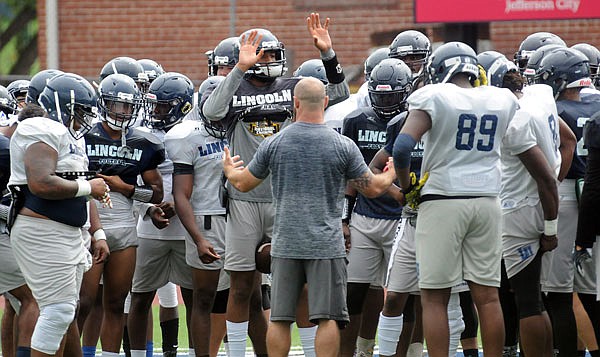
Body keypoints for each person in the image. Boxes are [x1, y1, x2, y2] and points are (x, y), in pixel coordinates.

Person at [201, 13, 349, 356]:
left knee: (300, 287)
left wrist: (327, 52)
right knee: (240, 284)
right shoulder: (234, 86)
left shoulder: (292, 87)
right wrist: (239, 67)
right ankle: (237, 352)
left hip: (286, 199)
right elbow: (210, 111)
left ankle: (311, 351)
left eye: (270, 54)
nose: (269, 60)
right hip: (244, 197)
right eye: (263, 54)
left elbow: (338, 94)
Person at [222, 76, 397, 357]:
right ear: (325, 102)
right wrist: (391, 172)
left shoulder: (275, 143)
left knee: (280, 319)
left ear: (295, 103)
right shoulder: (342, 145)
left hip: (285, 243)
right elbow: (373, 188)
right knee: (326, 318)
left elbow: (242, 183)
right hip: (326, 245)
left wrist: (230, 170)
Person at [392, 41, 519, 357]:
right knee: (488, 297)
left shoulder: (434, 96)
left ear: (438, 70)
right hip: (488, 199)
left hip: (444, 199)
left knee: (434, 297)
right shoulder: (500, 98)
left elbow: (402, 148)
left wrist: (408, 187)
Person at [9, 72, 110, 356]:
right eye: (80, 111)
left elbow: (77, 188)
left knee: (67, 311)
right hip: (43, 229)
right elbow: (41, 182)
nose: (85, 118)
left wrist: (95, 230)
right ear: (61, 105)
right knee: (58, 312)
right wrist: (88, 186)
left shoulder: (67, 136)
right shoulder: (41, 128)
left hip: (65, 230)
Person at [84, 73, 165, 357]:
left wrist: (126, 188)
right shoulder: (84, 137)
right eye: (116, 105)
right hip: (90, 225)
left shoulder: (143, 143)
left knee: (117, 303)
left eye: (127, 106)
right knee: (83, 303)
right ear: (103, 103)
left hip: (124, 227)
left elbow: (156, 193)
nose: (121, 112)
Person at [339, 58, 412, 357]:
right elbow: (349, 173)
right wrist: (344, 217)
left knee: (404, 296)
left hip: (403, 219)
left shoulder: (417, 119)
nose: (386, 102)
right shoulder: (356, 120)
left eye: (393, 95)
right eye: (381, 96)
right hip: (364, 217)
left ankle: (410, 351)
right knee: (353, 292)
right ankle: (358, 351)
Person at [536, 47, 600, 356]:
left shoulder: (556, 111)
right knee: (591, 290)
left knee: (557, 291)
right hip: (594, 198)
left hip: (567, 195)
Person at [127, 72, 195, 357]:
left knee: (194, 298)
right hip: (148, 229)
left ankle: (193, 351)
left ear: (183, 107)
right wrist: (148, 208)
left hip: (186, 232)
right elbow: (130, 184)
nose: (155, 112)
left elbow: (203, 182)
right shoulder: (140, 135)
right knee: (140, 298)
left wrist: (184, 208)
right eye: (153, 106)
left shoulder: (195, 133)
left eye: (163, 107)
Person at [500, 78, 566, 356]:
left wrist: (550, 229)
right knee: (534, 299)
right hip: (537, 204)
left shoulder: (515, 117)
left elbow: (547, 179)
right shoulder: (540, 95)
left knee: (528, 302)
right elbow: (569, 141)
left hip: (520, 209)